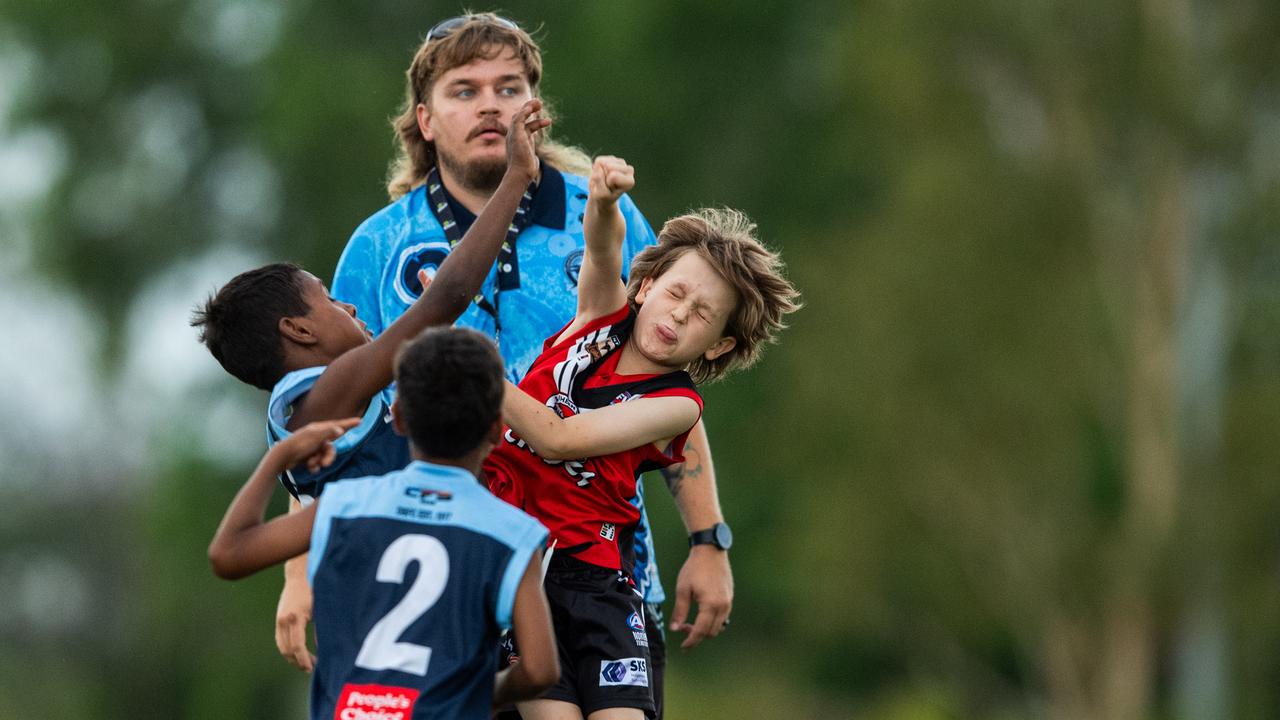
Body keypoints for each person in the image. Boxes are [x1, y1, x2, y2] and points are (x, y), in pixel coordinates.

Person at [320, 15, 735, 714]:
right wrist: (305, 574)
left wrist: (708, 537)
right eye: (464, 90)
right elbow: (330, 420)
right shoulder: (377, 248)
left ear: (535, 108)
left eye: (509, 87)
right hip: (437, 578)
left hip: (602, 569)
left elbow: (659, 388)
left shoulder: (606, 218)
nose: (490, 104)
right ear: (423, 119)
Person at [194, 97, 549, 668]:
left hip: (371, 631)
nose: (349, 304)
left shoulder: (300, 416)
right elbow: (447, 299)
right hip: (422, 624)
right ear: (299, 331)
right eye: (329, 299)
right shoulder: (331, 390)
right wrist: (516, 178)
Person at [485, 156, 801, 719]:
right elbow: (604, 249)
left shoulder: (676, 405)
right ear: (646, 285)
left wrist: (475, 370)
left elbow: (558, 438)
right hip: (522, 572)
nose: (679, 315)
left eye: (703, 316)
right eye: (676, 293)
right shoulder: (595, 317)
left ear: (717, 347)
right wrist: (604, 202)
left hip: (598, 582)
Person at [208, 327, 560, 719]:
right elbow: (541, 669)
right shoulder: (514, 533)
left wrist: (278, 457)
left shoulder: (343, 505)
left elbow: (229, 554)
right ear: (497, 429)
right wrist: (480, 695)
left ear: (397, 418)